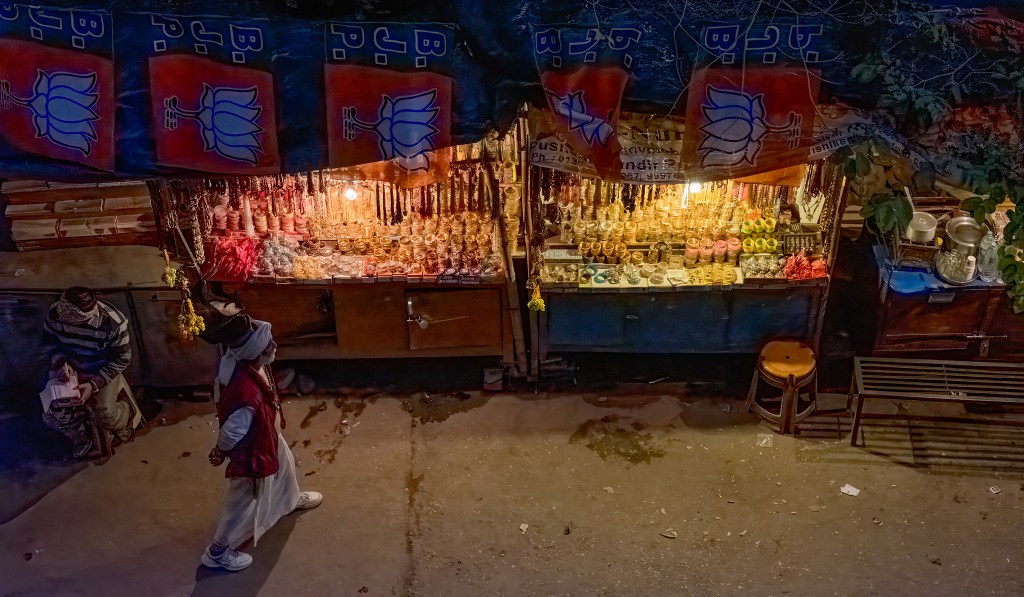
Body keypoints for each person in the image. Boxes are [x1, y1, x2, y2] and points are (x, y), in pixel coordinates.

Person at [202, 316, 322, 572]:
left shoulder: (247, 363)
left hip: (267, 435)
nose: (274, 347)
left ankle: (288, 501)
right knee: (243, 499)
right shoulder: (246, 392)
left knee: (286, 465)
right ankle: (217, 552)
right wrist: (219, 452)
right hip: (252, 451)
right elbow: (231, 431)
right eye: (269, 346)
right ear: (256, 352)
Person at [39, 286, 137, 457]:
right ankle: (80, 436)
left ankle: (126, 412)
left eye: (74, 321)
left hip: (101, 369)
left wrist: (93, 385)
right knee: (52, 413)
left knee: (105, 413)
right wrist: (60, 362)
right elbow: (47, 346)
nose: (68, 323)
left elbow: (122, 359)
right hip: (71, 368)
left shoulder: (114, 322)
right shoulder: (56, 313)